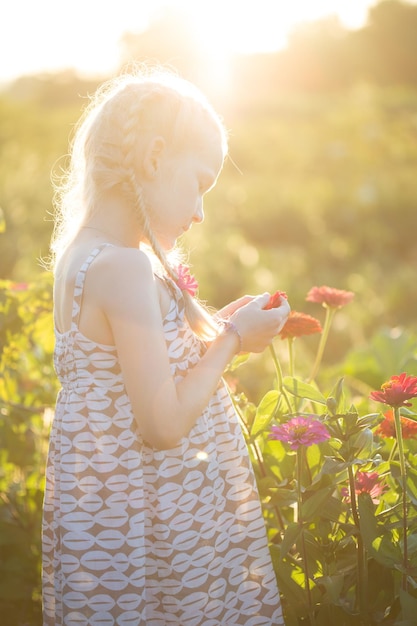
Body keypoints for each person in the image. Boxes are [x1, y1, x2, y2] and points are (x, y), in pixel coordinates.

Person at [42, 67, 290, 625]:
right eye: (200, 184)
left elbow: (138, 372)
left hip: (108, 510)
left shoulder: (82, 254)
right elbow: (163, 423)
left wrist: (226, 329)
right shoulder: (125, 266)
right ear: (154, 159)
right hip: (151, 518)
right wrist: (232, 340)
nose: (201, 211)